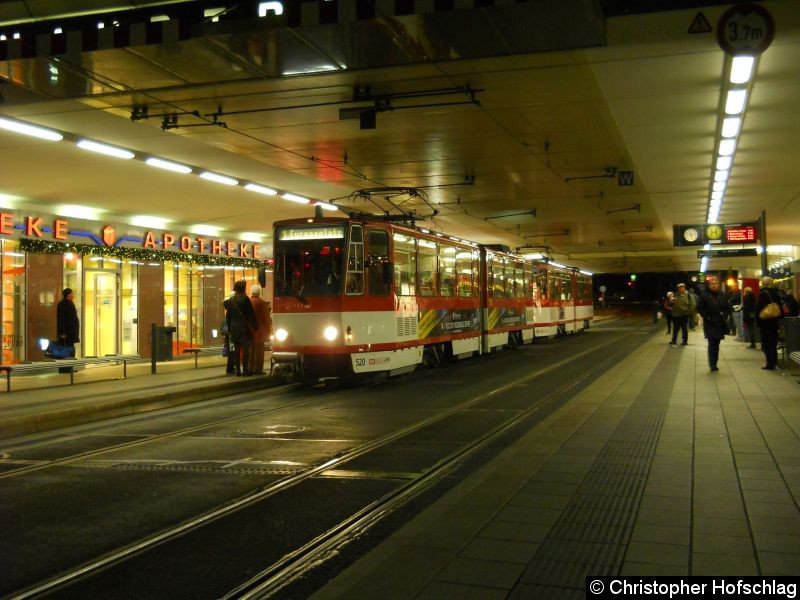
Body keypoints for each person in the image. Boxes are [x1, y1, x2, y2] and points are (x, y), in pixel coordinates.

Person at [223, 280, 258, 376]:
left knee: (236, 350)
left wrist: (229, 328)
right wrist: (255, 327)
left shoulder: (231, 300)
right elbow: (251, 315)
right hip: (244, 327)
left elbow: (228, 316)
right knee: (245, 350)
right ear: (243, 288)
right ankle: (245, 370)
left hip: (234, 327)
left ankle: (238, 370)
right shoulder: (246, 299)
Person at [696, 276, 731, 372]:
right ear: (709, 285)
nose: (714, 285)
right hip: (710, 323)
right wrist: (707, 317)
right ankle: (712, 364)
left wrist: (724, 315)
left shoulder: (722, 295)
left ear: (718, 285)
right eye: (712, 284)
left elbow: (728, 308)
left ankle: (714, 362)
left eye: (715, 283)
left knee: (717, 344)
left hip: (719, 323)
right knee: (712, 343)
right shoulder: (704, 295)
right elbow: (699, 308)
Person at [755, 276, 783, 370]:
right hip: (774, 322)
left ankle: (769, 364)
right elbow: (781, 308)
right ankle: (774, 362)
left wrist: (757, 321)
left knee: (766, 344)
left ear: (763, 283)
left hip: (765, 322)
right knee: (773, 343)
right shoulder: (776, 293)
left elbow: (759, 308)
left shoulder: (763, 294)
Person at [248, 284, 271, 375]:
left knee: (251, 349)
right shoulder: (261, 302)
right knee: (259, 350)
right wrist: (268, 328)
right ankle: (257, 369)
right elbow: (265, 317)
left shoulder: (248, 302)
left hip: (250, 329)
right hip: (259, 329)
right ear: (259, 292)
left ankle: (250, 367)